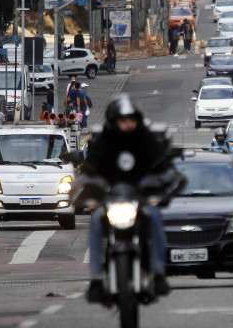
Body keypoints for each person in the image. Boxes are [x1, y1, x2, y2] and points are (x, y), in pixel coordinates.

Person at [77, 94, 182, 302]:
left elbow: (163, 168)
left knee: (154, 217)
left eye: (131, 119)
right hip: (111, 199)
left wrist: (160, 186)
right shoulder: (102, 141)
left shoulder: (147, 139)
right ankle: (96, 279)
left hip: (140, 198)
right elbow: (89, 171)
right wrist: (86, 190)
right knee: (96, 220)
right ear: (114, 121)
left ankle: (158, 274)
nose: (128, 124)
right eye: (123, 120)